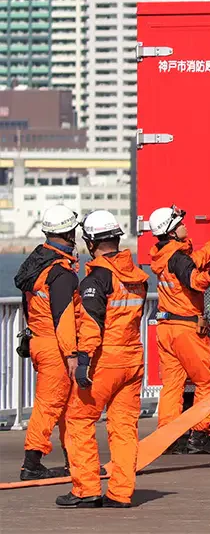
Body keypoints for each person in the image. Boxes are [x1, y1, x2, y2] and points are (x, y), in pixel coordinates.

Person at [57, 211, 148, 508]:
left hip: (105, 361)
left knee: (78, 421)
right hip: (133, 358)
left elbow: (92, 323)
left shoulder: (97, 277)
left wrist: (83, 360)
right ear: (117, 238)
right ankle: (121, 493)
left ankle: (86, 489)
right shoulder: (138, 277)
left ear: (90, 242)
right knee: (124, 428)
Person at [147, 205, 210, 455]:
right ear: (171, 231)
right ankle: (199, 435)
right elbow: (194, 279)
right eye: (180, 222)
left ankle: (168, 437)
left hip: (167, 328)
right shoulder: (177, 257)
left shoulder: (166, 256)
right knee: (207, 381)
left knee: (172, 385)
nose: (185, 225)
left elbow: (192, 261)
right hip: (186, 329)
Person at [13, 205, 80, 481]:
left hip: (40, 340)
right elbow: (64, 318)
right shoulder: (61, 273)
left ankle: (74, 458)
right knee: (50, 405)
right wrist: (73, 354)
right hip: (56, 347)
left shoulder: (37, 265)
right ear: (70, 233)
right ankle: (32, 462)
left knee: (64, 406)